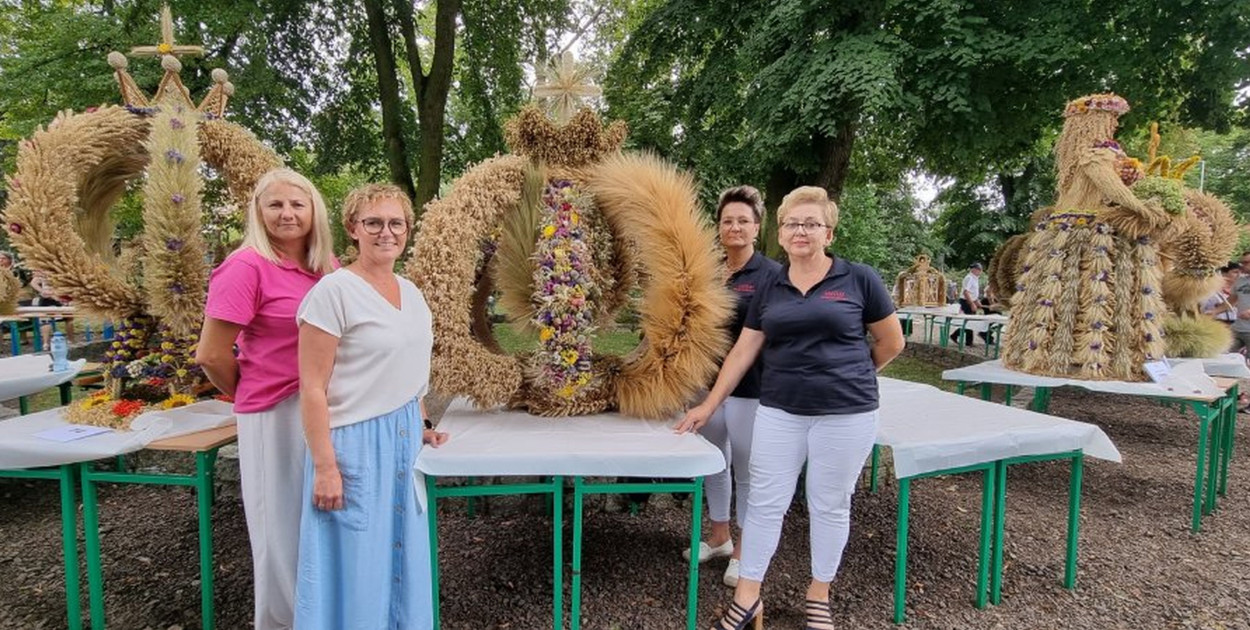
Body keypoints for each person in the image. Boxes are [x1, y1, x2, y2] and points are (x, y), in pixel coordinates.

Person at [676, 186, 905, 630]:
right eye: (793, 224)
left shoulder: (859, 279)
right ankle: (747, 599)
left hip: (846, 414)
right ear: (780, 234)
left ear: (829, 233)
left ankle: (818, 594)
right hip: (780, 412)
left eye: (811, 223)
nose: (801, 231)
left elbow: (891, 342)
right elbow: (743, 352)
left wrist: (851, 375)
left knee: (830, 504)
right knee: (764, 502)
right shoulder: (770, 286)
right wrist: (709, 404)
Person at [294, 183, 447, 629]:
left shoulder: (413, 293)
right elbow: (312, 387)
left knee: (402, 550)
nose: (386, 232)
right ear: (353, 229)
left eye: (396, 223)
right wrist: (325, 467)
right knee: (358, 562)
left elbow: (413, 375)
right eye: (374, 222)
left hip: (404, 440)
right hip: (353, 445)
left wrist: (421, 425)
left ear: (407, 230)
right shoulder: (333, 292)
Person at [196, 168, 338, 630]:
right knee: (280, 531)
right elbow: (212, 354)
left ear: (314, 210)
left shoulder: (328, 266)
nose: (288, 214)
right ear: (258, 212)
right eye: (275, 205)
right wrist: (254, 392)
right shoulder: (246, 267)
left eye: (298, 204)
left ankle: (322, 615)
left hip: (326, 408)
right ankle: (282, 622)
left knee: (320, 521)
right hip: (275, 413)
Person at [685, 185, 782, 588]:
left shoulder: (773, 275)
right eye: (728, 221)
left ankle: (744, 552)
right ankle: (720, 538)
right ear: (719, 227)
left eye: (743, 221)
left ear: (757, 228)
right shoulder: (708, 270)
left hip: (750, 388)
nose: (735, 227)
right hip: (704, 386)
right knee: (713, 464)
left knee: (746, 469)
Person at [951, 262, 982, 346]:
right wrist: (972, 304)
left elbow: (973, 292)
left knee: (970, 321)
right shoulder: (969, 278)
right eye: (979, 269)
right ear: (974, 270)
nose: (980, 271)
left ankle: (956, 336)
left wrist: (977, 302)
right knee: (969, 321)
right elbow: (966, 292)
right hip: (966, 301)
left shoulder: (975, 278)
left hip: (971, 300)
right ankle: (968, 341)